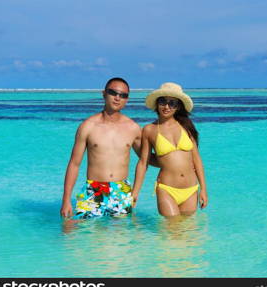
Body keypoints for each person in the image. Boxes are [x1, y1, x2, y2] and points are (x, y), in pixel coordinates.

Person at [60, 77, 153, 219]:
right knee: (76, 234)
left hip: (121, 190)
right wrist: (66, 200)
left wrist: (178, 162)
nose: (117, 98)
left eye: (123, 95)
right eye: (113, 93)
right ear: (104, 94)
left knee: (118, 239)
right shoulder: (88, 126)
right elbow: (74, 164)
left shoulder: (133, 128)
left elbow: (146, 159)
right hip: (94, 189)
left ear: (127, 99)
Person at [132, 82, 208, 217]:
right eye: (163, 102)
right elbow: (143, 163)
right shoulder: (150, 130)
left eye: (172, 103)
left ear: (178, 106)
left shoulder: (186, 126)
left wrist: (203, 189)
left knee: (187, 233)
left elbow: (197, 160)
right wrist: (135, 192)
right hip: (167, 189)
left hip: (191, 189)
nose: (166, 107)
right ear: (157, 103)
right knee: (171, 230)